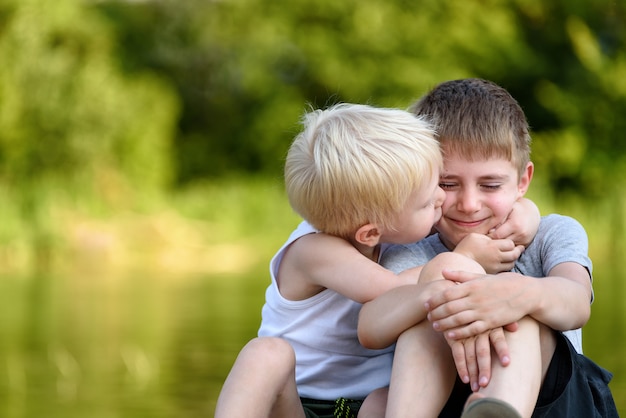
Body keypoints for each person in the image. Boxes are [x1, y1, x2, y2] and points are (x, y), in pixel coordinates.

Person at [215, 102, 537, 418]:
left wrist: (527, 212)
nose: (442, 199)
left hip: (363, 406)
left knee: (389, 401)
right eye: (428, 201)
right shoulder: (314, 251)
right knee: (265, 353)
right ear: (369, 233)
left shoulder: (386, 233)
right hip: (294, 402)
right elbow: (395, 290)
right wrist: (462, 256)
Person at [358, 78, 618, 418]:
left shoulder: (553, 232)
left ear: (522, 181)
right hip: (450, 398)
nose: (468, 204)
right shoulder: (414, 248)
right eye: (448, 183)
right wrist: (437, 294)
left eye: (490, 184)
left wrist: (515, 294)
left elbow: (576, 301)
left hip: (558, 402)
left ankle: (498, 410)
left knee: (521, 314)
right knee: (380, 396)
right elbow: (370, 328)